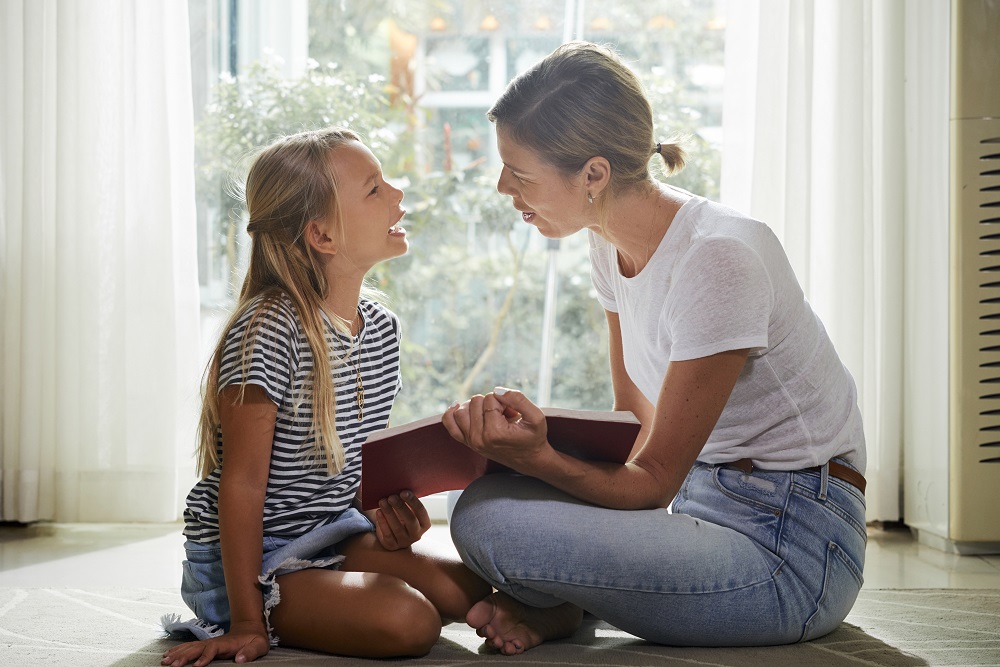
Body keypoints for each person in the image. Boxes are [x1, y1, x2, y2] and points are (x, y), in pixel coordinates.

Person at [442, 41, 867, 655]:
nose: (503, 186)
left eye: (522, 173)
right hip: (694, 507)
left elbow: (651, 482)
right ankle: (569, 603)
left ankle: (566, 603)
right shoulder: (606, 242)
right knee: (480, 486)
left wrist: (541, 459)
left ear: (593, 175)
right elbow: (633, 423)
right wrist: (523, 449)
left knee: (488, 521)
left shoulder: (719, 257)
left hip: (789, 550)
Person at [161, 128, 490, 667]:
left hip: (329, 532)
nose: (398, 194)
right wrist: (247, 623)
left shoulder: (381, 328)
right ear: (323, 235)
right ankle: (250, 609)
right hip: (251, 563)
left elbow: (346, 474)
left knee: (466, 591)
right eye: (374, 189)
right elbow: (241, 487)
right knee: (410, 621)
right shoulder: (268, 328)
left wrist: (390, 519)